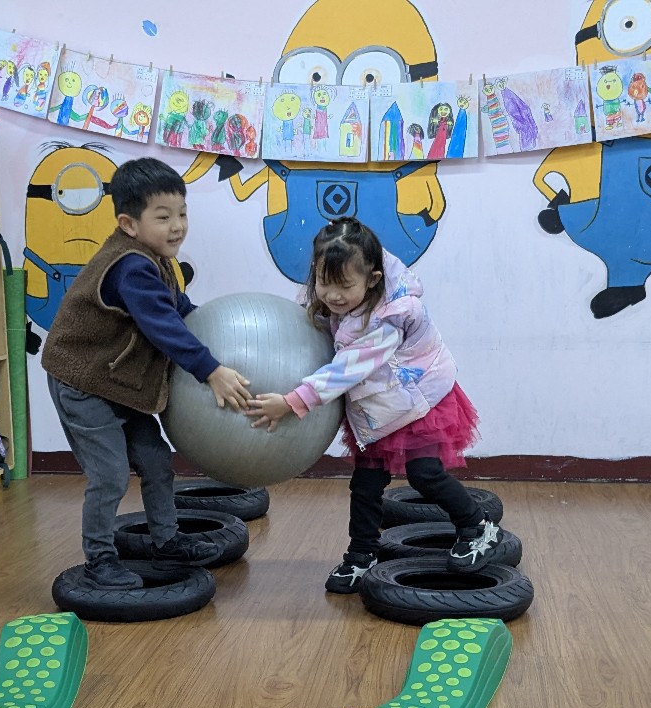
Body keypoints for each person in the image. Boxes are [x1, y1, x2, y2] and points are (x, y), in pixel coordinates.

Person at [244, 216, 502, 593]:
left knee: (424, 473)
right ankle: (362, 553)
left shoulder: (387, 319)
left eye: (345, 286)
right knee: (365, 485)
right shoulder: (334, 302)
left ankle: (478, 527)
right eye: (324, 282)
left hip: (419, 401)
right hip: (378, 407)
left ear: (373, 279)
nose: (333, 295)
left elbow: (349, 368)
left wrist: (292, 401)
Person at [42, 157, 252, 588]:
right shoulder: (131, 267)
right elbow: (163, 326)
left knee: (156, 461)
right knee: (110, 476)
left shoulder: (155, 259)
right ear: (129, 224)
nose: (177, 226)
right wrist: (210, 370)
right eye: (163, 217)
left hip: (117, 383)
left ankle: (166, 541)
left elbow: (180, 310)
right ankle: (100, 561)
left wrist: (224, 331)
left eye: (182, 214)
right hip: (83, 382)